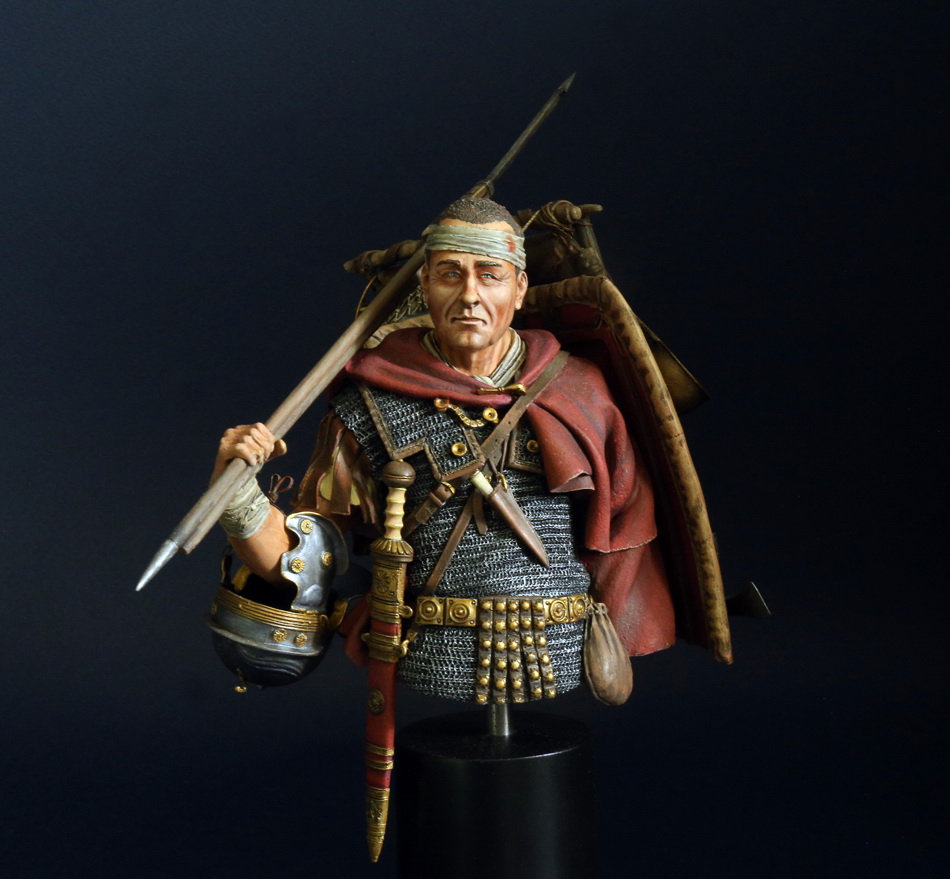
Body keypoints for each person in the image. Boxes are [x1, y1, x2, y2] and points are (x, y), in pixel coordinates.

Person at [212, 196, 675, 705]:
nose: (470, 295)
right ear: (425, 284)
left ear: (520, 288)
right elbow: (305, 560)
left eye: (490, 275)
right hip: (437, 647)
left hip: (559, 644)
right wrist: (236, 495)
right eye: (451, 274)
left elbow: (623, 530)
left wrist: (615, 635)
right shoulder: (369, 405)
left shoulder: (580, 390)